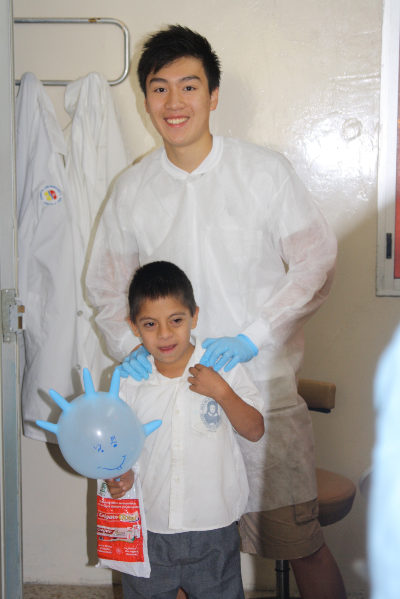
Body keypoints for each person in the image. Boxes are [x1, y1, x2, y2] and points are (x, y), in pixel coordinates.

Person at [86, 25, 346, 598]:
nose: (174, 102)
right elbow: (106, 289)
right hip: (169, 403)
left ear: (214, 94)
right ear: (146, 99)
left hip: (258, 395)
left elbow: (317, 262)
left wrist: (254, 335)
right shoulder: (132, 190)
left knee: (300, 542)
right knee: (175, 555)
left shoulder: (263, 172)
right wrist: (134, 353)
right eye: (159, 88)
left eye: (189, 86)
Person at [105, 261, 265, 598]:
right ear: (134, 326)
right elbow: (116, 445)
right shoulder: (130, 380)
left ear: (194, 316)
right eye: (150, 324)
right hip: (149, 527)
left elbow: (255, 430)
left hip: (214, 528)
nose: (164, 334)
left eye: (176, 320)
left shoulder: (223, 367)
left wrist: (222, 392)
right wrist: (121, 474)